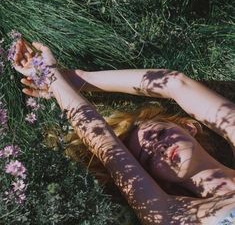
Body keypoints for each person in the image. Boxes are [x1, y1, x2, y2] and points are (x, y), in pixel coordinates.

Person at [13, 38, 235, 225]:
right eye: (148, 158)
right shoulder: (174, 215)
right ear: (157, 182)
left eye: (159, 134)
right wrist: (52, 79)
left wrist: (79, 79)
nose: (159, 147)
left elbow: (175, 84)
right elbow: (105, 145)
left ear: (189, 126)